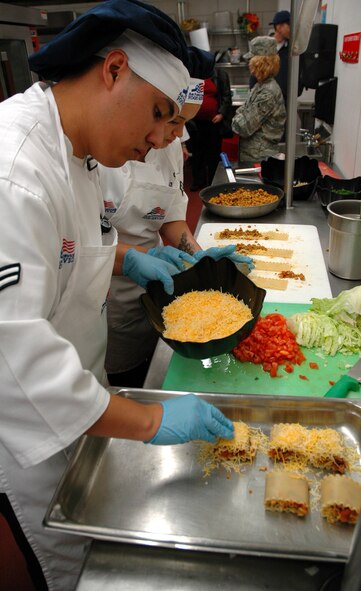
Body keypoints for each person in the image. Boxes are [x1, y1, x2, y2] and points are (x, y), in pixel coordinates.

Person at [0, 2, 235, 589]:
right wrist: (151, 419)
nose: (161, 138)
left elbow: (69, 256)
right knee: (69, 565)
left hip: (85, 397)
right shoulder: (14, 174)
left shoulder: (91, 155)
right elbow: (12, 363)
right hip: (32, 431)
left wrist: (130, 259)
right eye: (159, 114)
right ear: (112, 70)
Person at [99, 79, 253, 387]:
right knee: (123, 377)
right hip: (110, 298)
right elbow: (82, 247)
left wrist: (197, 255)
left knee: (157, 366)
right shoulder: (102, 152)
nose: (173, 136)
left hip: (161, 283)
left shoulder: (169, 147)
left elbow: (168, 213)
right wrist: (133, 259)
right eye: (173, 120)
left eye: (184, 124)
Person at [231, 36, 286, 164]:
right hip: (253, 154)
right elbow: (243, 111)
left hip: (259, 158)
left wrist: (237, 118)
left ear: (259, 63)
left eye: (251, 60)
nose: (249, 65)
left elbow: (243, 127)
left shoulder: (267, 92)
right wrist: (241, 115)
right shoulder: (260, 85)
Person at [186, 67, 233, 191]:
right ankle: (198, 181)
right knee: (197, 154)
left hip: (214, 122)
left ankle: (213, 181)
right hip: (195, 123)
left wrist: (221, 114)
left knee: (213, 154)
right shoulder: (191, 73)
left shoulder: (220, 74)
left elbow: (227, 96)